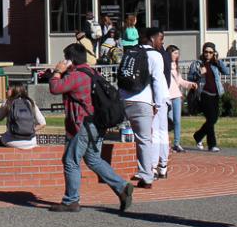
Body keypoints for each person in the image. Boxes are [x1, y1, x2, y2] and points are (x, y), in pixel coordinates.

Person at [46, 42, 133, 213]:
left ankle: (71, 201)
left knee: (70, 160)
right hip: (97, 123)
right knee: (94, 159)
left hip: (84, 124)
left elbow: (55, 88)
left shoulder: (78, 76)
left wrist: (57, 71)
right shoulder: (92, 72)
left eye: (65, 59)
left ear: (70, 60)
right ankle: (122, 187)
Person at [119, 26, 167, 188]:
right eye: (160, 39)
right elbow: (158, 81)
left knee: (121, 135)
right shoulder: (155, 55)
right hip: (143, 102)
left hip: (124, 100)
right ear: (152, 39)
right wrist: (159, 104)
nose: (161, 43)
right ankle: (146, 177)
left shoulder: (130, 52)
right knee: (144, 140)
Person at [188, 42, 228, 152]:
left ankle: (198, 135)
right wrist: (199, 74)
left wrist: (218, 61)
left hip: (215, 94)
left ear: (214, 53)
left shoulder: (215, 63)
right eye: (206, 52)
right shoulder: (197, 63)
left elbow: (226, 72)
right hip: (204, 94)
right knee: (210, 119)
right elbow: (190, 77)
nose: (208, 54)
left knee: (213, 119)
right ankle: (212, 145)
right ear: (203, 52)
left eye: (211, 52)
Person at [165, 45, 196, 152]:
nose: (177, 56)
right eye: (175, 53)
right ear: (169, 53)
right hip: (167, 97)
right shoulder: (164, 66)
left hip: (177, 96)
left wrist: (190, 84)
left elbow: (180, 81)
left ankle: (177, 144)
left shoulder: (175, 66)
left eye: (178, 53)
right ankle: (166, 144)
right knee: (169, 121)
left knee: (177, 121)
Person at [0, 83, 47, 148]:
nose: (6, 91)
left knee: (0, 142)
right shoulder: (31, 102)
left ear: (15, 90)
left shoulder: (7, 103)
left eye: (8, 89)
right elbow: (43, 123)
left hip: (13, 141)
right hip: (31, 142)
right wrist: (30, 130)